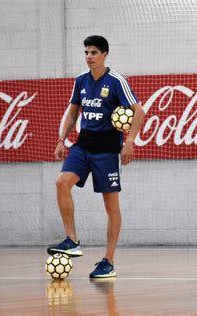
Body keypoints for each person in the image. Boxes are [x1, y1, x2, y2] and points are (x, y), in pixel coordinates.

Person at [47, 35, 145, 278]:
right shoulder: (81, 80)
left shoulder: (116, 81)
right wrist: (61, 139)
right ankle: (72, 239)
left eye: (93, 52)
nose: (89, 56)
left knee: (110, 205)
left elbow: (139, 111)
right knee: (61, 183)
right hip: (83, 145)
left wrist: (130, 141)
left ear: (104, 55)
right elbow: (72, 113)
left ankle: (108, 261)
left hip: (108, 150)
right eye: (86, 52)